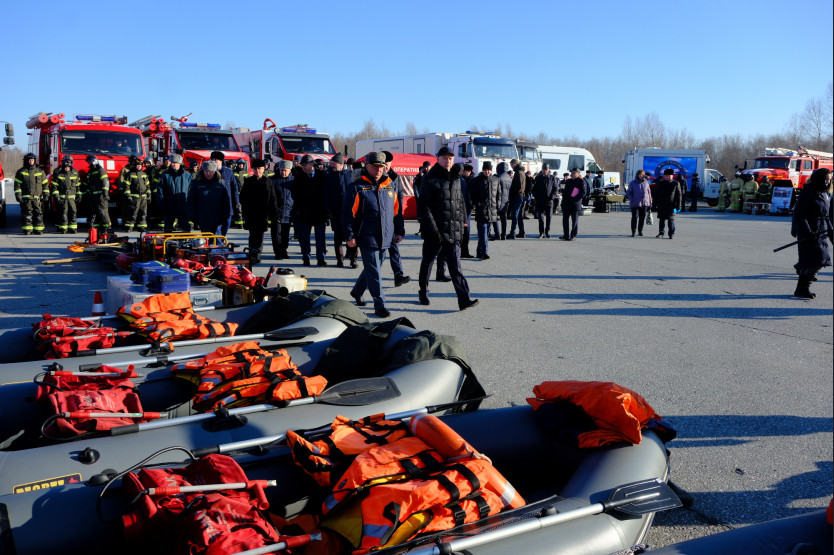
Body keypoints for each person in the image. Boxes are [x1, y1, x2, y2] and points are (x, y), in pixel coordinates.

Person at [343, 151, 405, 318]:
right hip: (366, 236)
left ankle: (357, 291)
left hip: (386, 236)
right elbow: (348, 215)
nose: (379, 169)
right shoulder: (356, 187)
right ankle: (380, 303)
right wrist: (349, 236)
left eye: (381, 166)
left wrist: (399, 231)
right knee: (374, 271)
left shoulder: (390, 186)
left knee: (374, 268)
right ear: (367, 166)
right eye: (375, 166)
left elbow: (397, 212)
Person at [416, 147, 478, 311]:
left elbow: (460, 203)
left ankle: (464, 299)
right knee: (428, 263)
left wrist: (463, 222)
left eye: (450, 158)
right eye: (444, 158)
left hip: (453, 230)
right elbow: (424, 207)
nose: (448, 161)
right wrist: (433, 230)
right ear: (438, 159)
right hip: (434, 232)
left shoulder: (457, 179)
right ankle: (423, 291)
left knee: (456, 266)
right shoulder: (430, 179)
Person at [791, 168, 832, 299]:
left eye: (829, 179)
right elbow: (799, 215)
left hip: (821, 232)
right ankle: (803, 288)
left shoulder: (825, 194)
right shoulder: (807, 192)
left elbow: (826, 216)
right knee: (817, 261)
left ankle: (800, 289)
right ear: (819, 179)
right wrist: (808, 232)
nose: (828, 182)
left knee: (813, 261)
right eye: (826, 179)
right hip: (809, 232)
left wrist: (831, 232)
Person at [240, 159, 278, 264]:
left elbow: (273, 198)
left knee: (260, 235)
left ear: (263, 169)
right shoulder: (248, 181)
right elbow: (242, 197)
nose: (258, 171)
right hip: (251, 213)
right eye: (255, 169)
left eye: (260, 169)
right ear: (253, 170)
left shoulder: (269, 182)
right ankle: (252, 255)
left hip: (263, 213)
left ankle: (258, 254)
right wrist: (247, 209)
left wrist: (273, 213)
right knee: (252, 235)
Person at [293, 154, 329, 266]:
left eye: (305, 165)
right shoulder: (299, 176)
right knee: (304, 238)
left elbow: (326, 194)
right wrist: (299, 209)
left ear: (312, 164)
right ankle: (306, 258)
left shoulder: (322, 176)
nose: (303, 167)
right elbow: (294, 194)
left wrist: (326, 210)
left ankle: (321, 259)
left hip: (319, 212)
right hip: (305, 212)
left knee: (320, 238)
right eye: (302, 165)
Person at [382, 152, 410, 285]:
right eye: (384, 164)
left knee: (394, 250)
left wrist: (400, 230)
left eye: (388, 165)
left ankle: (398, 275)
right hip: (377, 222)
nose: (385, 167)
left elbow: (399, 204)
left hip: (391, 221)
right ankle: (360, 288)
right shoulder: (373, 177)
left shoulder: (395, 178)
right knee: (378, 257)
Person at [324, 153, 356, 268]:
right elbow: (325, 194)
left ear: (341, 164)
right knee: (337, 237)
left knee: (351, 236)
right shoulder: (329, 176)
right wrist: (328, 210)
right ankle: (340, 259)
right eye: (331, 163)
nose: (331, 165)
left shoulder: (351, 175)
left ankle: (353, 259)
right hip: (336, 211)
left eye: (334, 163)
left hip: (350, 212)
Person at [187, 160, 231, 235]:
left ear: (215, 171)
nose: (208, 174)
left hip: (217, 218)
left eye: (211, 172)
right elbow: (191, 200)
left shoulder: (221, 183)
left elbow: (226, 201)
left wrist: (226, 214)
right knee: (206, 240)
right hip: (203, 218)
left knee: (217, 241)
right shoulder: (197, 183)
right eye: (206, 171)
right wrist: (193, 216)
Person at [470, 161, 499, 259]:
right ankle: (485, 252)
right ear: (482, 170)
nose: (487, 172)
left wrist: (497, 205)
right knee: (483, 233)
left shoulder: (496, 180)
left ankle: (479, 251)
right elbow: (473, 194)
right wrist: (478, 204)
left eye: (489, 170)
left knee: (485, 233)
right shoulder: (477, 180)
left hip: (492, 210)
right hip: (481, 210)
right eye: (485, 170)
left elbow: (499, 194)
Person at [14, 152, 48, 235]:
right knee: (27, 213)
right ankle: (27, 229)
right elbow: (17, 186)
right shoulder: (21, 172)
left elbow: (45, 184)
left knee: (38, 213)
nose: (31, 161)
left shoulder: (40, 171)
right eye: (29, 160)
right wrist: (18, 196)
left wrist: (46, 194)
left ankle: (38, 229)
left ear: (34, 161)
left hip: (37, 198)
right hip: (26, 198)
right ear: (26, 161)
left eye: (32, 160)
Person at [156, 154, 192, 232]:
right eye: (171, 162)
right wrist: (162, 203)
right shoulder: (165, 175)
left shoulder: (187, 176)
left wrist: (190, 204)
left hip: (183, 205)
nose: (172, 164)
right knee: (168, 227)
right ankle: (168, 243)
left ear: (179, 163)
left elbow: (191, 191)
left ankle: (185, 242)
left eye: (174, 162)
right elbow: (160, 190)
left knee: (185, 228)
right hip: (169, 206)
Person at [210, 151, 240, 235]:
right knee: (217, 225)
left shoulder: (228, 172)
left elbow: (234, 188)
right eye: (212, 159)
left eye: (215, 159)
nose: (213, 161)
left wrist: (236, 203)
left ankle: (222, 237)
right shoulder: (210, 172)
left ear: (221, 161)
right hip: (215, 203)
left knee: (227, 222)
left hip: (227, 203)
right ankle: (218, 241)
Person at [50, 155, 81, 233]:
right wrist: (56, 196)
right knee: (62, 212)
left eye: (69, 161)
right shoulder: (58, 171)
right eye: (66, 161)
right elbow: (54, 185)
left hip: (71, 197)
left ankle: (72, 228)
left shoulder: (75, 172)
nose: (67, 163)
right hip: (62, 196)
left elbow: (78, 185)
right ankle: (61, 227)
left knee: (73, 212)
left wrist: (79, 194)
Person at [271, 160, 295, 260]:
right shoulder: (273, 180)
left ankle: (284, 251)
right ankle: (278, 252)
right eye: (281, 170)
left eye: (285, 170)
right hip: (277, 212)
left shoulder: (292, 181)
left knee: (285, 235)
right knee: (277, 234)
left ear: (290, 171)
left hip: (288, 212)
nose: (283, 172)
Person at [121, 157, 150, 232]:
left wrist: (149, 195)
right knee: (133, 212)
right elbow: (126, 186)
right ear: (134, 165)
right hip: (134, 197)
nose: (139, 166)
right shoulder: (130, 174)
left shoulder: (144, 174)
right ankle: (129, 227)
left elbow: (147, 186)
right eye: (137, 165)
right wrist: (128, 196)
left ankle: (141, 226)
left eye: (140, 165)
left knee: (143, 212)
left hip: (143, 197)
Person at [84, 155, 112, 232]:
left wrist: (105, 194)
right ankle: (96, 228)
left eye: (90, 161)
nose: (89, 163)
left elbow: (105, 183)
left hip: (100, 195)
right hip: (92, 195)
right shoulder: (90, 172)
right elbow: (87, 183)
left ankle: (107, 228)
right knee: (94, 211)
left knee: (102, 211)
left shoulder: (101, 170)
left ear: (94, 161)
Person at [559, 168, 587, 240]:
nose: (572, 174)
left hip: (575, 204)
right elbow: (564, 191)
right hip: (566, 204)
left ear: (578, 173)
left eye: (574, 173)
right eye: (571, 173)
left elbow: (583, 193)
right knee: (565, 221)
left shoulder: (581, 181)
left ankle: (573, 235)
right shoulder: (568, 181)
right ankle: (565, 235)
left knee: (574, 221)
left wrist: (575, 199)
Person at [654, 169, 682, 239]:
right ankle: (661, 233)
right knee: (661, 220)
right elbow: (656, 194)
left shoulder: (676, 183)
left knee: (671, 220)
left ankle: (671, 234)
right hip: (662, 205)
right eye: (666, 176)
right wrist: (654, 205)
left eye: (669, 176)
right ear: (664, 176)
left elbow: (679, 196)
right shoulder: (661, 183)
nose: (668, 177)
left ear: (672, 176)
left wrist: (678, 206)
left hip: (672, 206)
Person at [532, 164, 558, 238]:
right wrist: (536, 197)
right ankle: (541, 232)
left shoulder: (552, 178)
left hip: (549, 201)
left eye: (546, 170)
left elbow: (556, 188)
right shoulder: (538, 178)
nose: (545, 171)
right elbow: (534, 189)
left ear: (548, 170)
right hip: (540, 201)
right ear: (542, 170)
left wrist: (552, 196)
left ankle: (547, 232)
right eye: (543, 169)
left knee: (549, 217)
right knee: (540, 217)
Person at [626, 169, 652, 237]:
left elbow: (649, 193)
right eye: (640, 175)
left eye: (642, 175)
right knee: (634, 217)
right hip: (635, 203)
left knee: (642, 217)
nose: (641, 176)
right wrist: (632, 200)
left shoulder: (646, 183)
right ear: (637, 175)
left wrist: (650, 202)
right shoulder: (632, 183)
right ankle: (633, 231)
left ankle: (640, 231)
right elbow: (628, 193)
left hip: (645, 203)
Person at [507, 162, 527, 239]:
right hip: (521, 195)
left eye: (512, 164)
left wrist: (513, 194)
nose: (511, 166)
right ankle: (522, 232)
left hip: (518, 196)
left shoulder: (518, 173)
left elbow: (518, 186)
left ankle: (513, 233)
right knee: (519, 215)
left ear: (515, 164)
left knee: (515, 214)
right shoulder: (522, 172)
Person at [491, 162, 511, 240]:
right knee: (504, 218)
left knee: (494, 217)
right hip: (506, 201)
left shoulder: (498, 177)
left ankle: (497, 234)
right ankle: (503, 234)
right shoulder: (509, 178)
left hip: (498, 200)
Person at [459, 164, 475, 257]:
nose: (463, 173)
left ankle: (464, 251)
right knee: (465, 230)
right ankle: (464, 251)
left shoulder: (470, 180)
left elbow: (469, 195)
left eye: (464, 171)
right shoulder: (465, 180)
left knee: (465, 230)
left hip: (467, 208)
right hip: (466, 207)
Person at [232, 158, 248, 229]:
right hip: (236, 194)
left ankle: (244, 222)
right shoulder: (234, 172)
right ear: (237, 165)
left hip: (244, 194)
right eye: (239, 164)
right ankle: (239, 223)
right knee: (238, 208)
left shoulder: (245, 173)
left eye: (242, 164)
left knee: (244, 208)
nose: (241, 166)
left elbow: (248, 183)